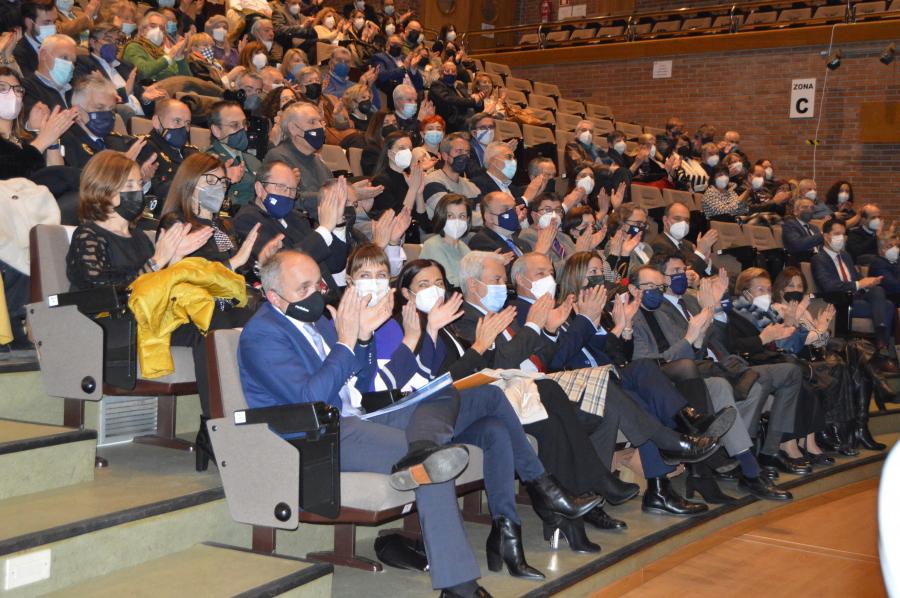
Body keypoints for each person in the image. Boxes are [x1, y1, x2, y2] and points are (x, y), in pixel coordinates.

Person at [238, 248, 599, 596]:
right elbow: (309, 399)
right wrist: (348, 341)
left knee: (482, 398)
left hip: (362, 417)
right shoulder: (262, 334)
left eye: (317, 283)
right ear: (273, 296)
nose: (315, 293)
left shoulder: (318, 319)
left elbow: (361, 383)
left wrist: (362, 337)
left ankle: (539, 487)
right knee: (434, 461)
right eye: (302, 288)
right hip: (320, 436)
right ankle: (459, 585)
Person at [456, 251, 726, 518]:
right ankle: (669, 454)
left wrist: (620, 327)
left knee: (639, 372)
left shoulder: (557, 306)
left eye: (550, 272)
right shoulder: (520, 311)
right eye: (540, 273)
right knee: (622, 392)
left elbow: (607, 353)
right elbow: (549, 360)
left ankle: (678, 440)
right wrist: (562, 324)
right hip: (556, 384)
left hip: (583, 378)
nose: (548, 278)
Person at [65, 150, 222, 462]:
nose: (138, 192)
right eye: (130, 185)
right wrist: (158, 261)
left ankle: (216, 425)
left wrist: (174, 262)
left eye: (139, 184)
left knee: (216, 324)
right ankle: (214, 430)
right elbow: (104, 290)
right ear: (104, 190)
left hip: (146, 319)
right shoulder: (88, 235)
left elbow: (154, 288)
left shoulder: (138, 237)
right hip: (109, 326)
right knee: (206, 329)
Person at [628, 255, 793, 500]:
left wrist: (703, 325)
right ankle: (726, 468)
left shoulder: (660, 313)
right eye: (649, 286)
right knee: (721, 383)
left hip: (688, 376)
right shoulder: (630, 317)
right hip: (659, 387)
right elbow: (649, 364)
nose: (656, 292)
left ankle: (744, 468)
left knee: (720, 386)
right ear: (633, 289)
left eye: (659, 287)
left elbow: (693, 352)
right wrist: (690, 336)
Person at [772, 267, 883, 453]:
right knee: (847, 360)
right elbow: (794, 341)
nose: (796, 289)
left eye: (799, 286)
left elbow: (819, 340)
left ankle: (857, 428)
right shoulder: (777, 309)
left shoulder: (804, 311)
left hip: (817, 354)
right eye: (791, 285)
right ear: (781, 289)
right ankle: (850, 429)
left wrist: (820, 327)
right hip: (799, 358)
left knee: (857, 359)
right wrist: (818, 330)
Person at [233, 161, 349, 289]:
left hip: (327, 293)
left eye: (292, 189)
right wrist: (324, 229)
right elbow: (286, 268)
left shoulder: (295, 217)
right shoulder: (247, 220)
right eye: (281, 187)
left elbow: (335, 264)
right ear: (260, 189)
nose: (288, 194)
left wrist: (338, 222)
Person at [263, 101, 382, 212]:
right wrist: (346, 194)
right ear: (293, 128)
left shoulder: (319, 163)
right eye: (312, 122)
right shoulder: (278, 158)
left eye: (320, 122)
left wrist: (353, 196)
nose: (320, 127)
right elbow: (294, 200)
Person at [811, 219, 896, 353]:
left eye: (843, 234)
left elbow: (857, 278)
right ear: (826, 236)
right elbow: (829, 286)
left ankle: (880, 341)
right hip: (840, 302)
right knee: (888, 306)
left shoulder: (845, 255)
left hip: (857, 297)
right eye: (837, 234)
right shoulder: (819, 259)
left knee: (878, 290)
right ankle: (882, 347)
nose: (841, 238)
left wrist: (868, 282)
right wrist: (858, 284)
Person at [0, 66, 75, 178]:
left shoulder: (26, 138)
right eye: (2, 88)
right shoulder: (37, 141)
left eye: (18, 89)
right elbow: (10, 175)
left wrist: (52, 141)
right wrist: (42, 141)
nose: (13, 95)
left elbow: (59, 176)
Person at [134, 98, 199, 217]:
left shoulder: (193, 153)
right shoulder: (144, 147)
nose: (183, 128)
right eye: (177, 121)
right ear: (156, 122)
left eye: (187, 123)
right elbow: (155, 192)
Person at [61, 72, 137, 168]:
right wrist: (121, 168)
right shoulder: (68, 144)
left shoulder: (117, 141)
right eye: (99, 108)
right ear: (77, 112)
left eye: (111, 109)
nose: (107, 114)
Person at [370, 130, 427, 239]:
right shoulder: (380, 181)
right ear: (389, 153)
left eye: (410, 149)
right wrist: (412, 190)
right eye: (402, 148)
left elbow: (425, 225)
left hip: (415, 235)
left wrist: (419, 194)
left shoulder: (411, 177)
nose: (407, 152)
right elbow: (397, 222)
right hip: (397, 238)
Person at [207, 100, 262, 212]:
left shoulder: (253, 161)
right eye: (235, 125)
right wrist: (224, 180)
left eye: (244, 123)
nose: (243, 129)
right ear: (216, 130)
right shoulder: (209, 162)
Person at [422, 131, 480, 221]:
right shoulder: (432, 181)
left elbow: (484, 212)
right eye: (459, 151)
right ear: (445, 156)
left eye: (467, 152)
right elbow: (452, 214)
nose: (464, 156)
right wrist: (486, 218)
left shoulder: (470, 185)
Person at [651, 201, 717, 277]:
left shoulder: (688, 245)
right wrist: (700, 252)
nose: (683, 224)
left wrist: (705, 261)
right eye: (677, 218)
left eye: (686, 220)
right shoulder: (659, 245)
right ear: (665, 221)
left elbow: (716, 275)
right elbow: (683, 276)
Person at [123, 11, 190, 82]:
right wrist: (170, 55)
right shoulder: (134, 47)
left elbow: (188, 81)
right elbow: (144, 71)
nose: (158, 30)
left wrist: (179, 57)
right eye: (153, 26)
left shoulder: (162, 53)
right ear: (142, 30)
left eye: (161, 28)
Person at [419, 194, 470, 287]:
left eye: (462, 216)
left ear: (468, 219)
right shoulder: (432, 245)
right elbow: (449, 283)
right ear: (441, 217)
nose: (457, 221)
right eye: (450, 216)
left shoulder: (463, 247)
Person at [22, 33, 75, 113]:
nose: (70, 65)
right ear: (44, 55)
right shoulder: (26, 88)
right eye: (65, 57)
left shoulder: (72, 90)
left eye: (73, 62)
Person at [428, 60, 483, 133]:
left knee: (485, 120)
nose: (450, 73)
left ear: (456, 74)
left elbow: (471, 102)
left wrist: (478, 101)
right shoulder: (437, 85)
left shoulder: (459, 86)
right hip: (451, 120)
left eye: (453, 71)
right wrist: (472, 101)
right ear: (441, 73)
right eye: (447, 71)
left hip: (467, 116)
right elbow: (448, 99)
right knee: (477, 124)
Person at [15, 1, 58, 78]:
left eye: (54, 22)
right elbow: (30, 82)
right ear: (29, 23)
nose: (53, 28)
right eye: (46, 23)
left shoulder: (60, 43)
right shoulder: (18, 53)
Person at [782, 197, 824, 264]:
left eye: (812, 208)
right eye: (805, 207)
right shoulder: (790, 225)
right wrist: (822, 235)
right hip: (802, 261)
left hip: (820, 260)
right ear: (795, 211)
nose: (809, 210)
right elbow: (798, 244)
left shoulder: (815, 228)